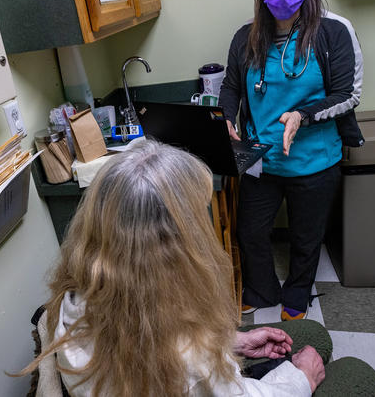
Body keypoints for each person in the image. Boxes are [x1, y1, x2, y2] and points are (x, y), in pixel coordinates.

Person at [19, 140, 326, 396]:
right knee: (323, 348)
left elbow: (147, 333)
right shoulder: (191, 362)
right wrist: (300, 378)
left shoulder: (72, 302)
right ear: (177, 249)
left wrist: (232, 342)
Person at [219, 0, 364, 321]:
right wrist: (226, 119)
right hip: (260, 160)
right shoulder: (245, 38)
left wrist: (302, 114)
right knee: (250, 232)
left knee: (305, 238)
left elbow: (348, 95)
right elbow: (231, 86)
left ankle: (297, 293)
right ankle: (261, 289)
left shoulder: (334, 32)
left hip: (314, 162)